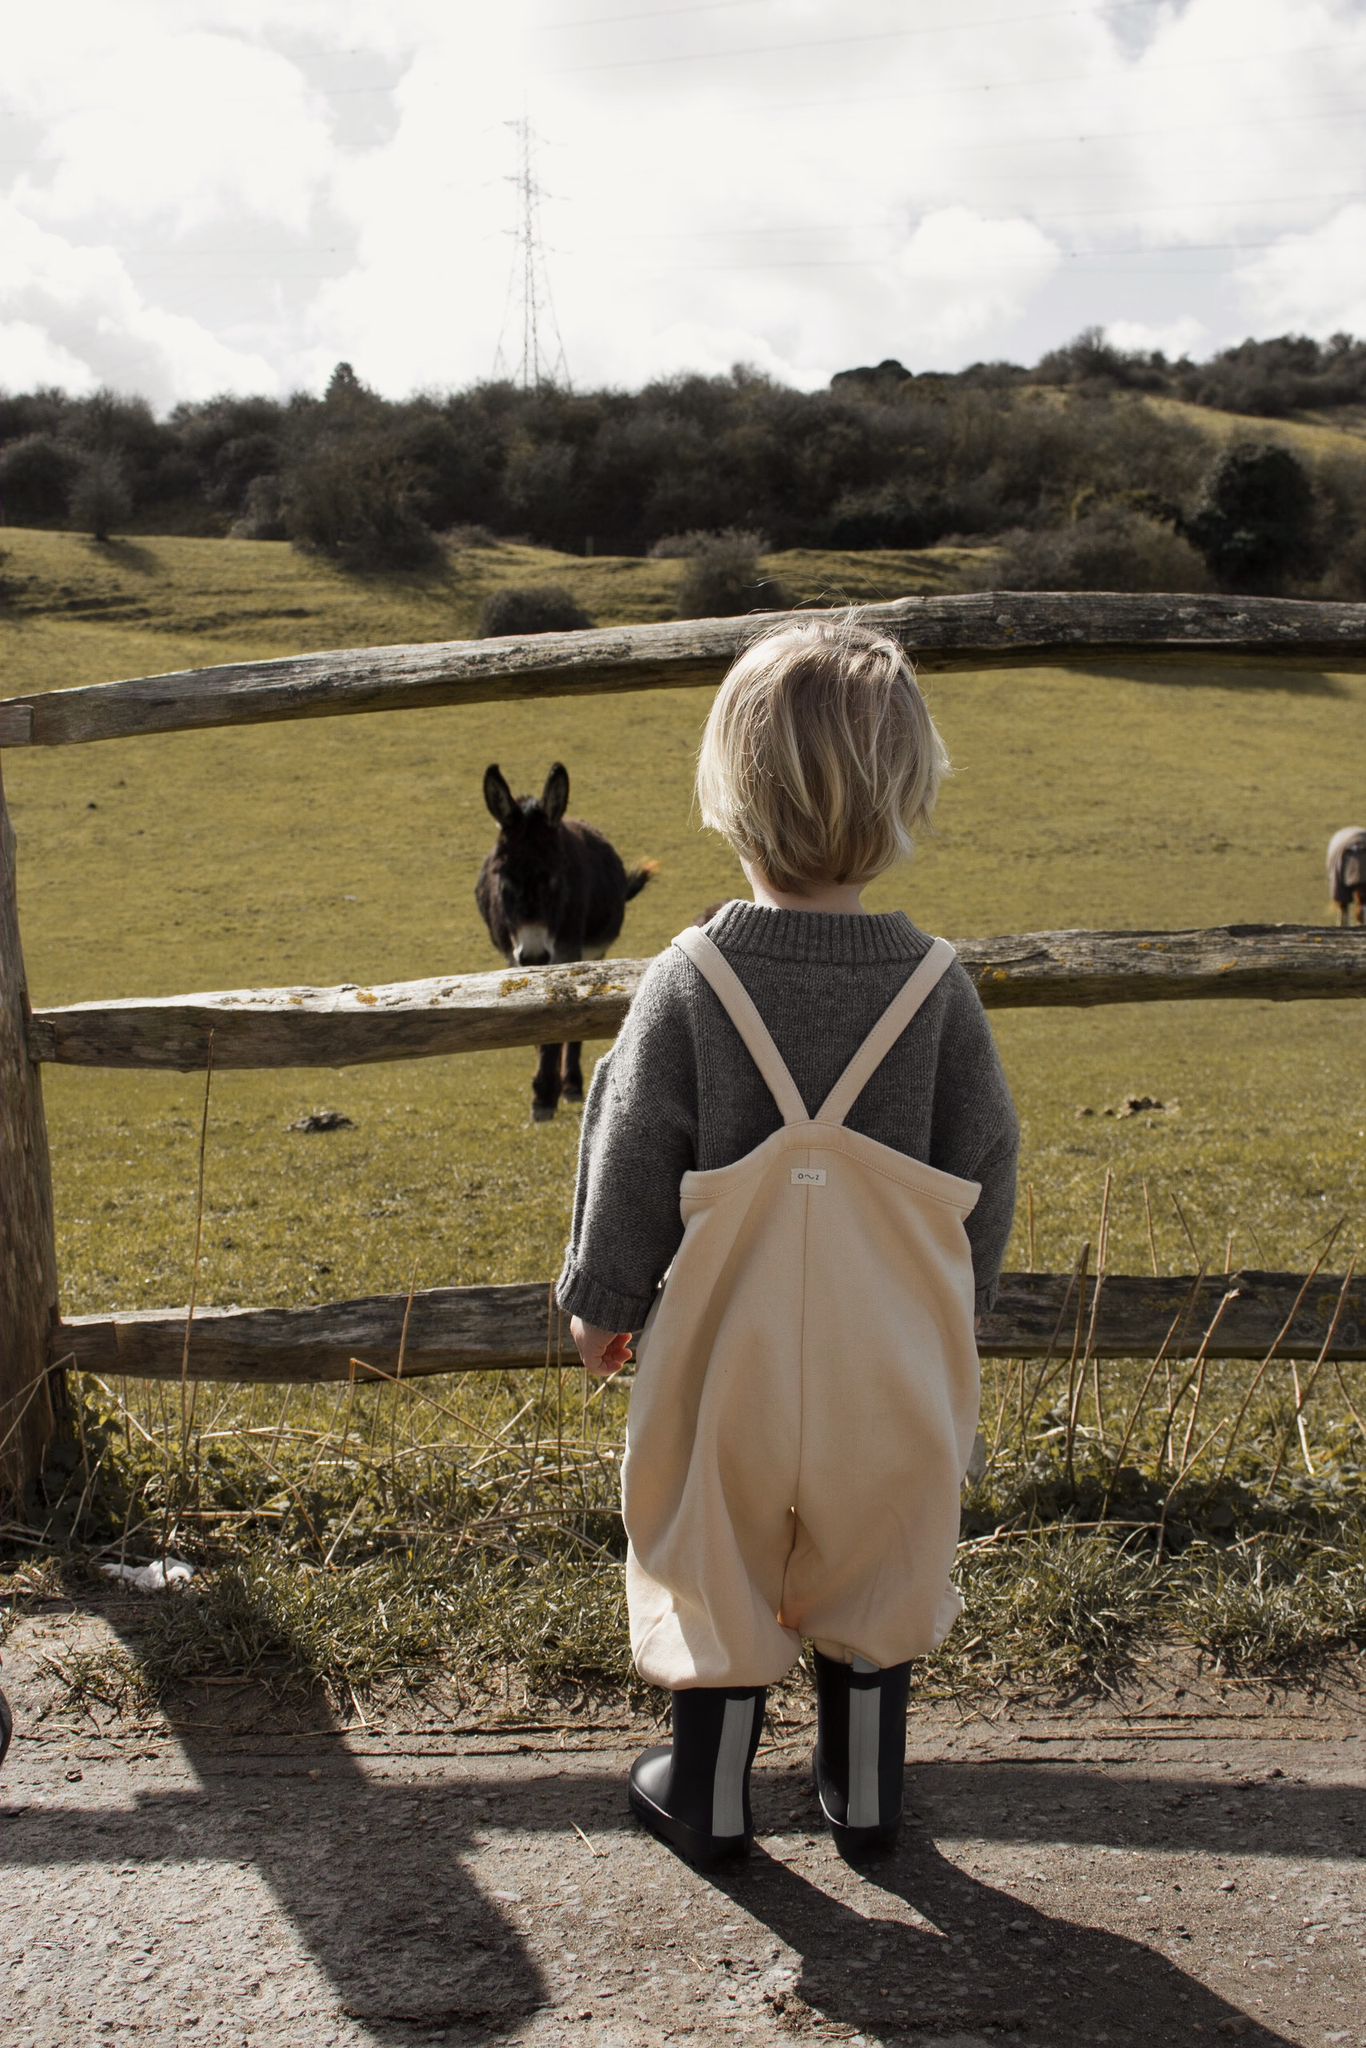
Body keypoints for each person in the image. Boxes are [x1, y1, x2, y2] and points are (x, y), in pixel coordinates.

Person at [556, 615, 1018, 1866]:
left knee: (710, 1537)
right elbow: (986, 1162)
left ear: (730, 790)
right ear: (904, 789)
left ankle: (705, 1786)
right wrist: (954, 1309)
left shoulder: (688, 978)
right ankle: (864, 1783)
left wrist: (604, 1300)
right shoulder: (936, 989)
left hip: (724, 1354)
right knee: (881, 1549)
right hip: (888, 1358)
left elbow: (631, 1150)